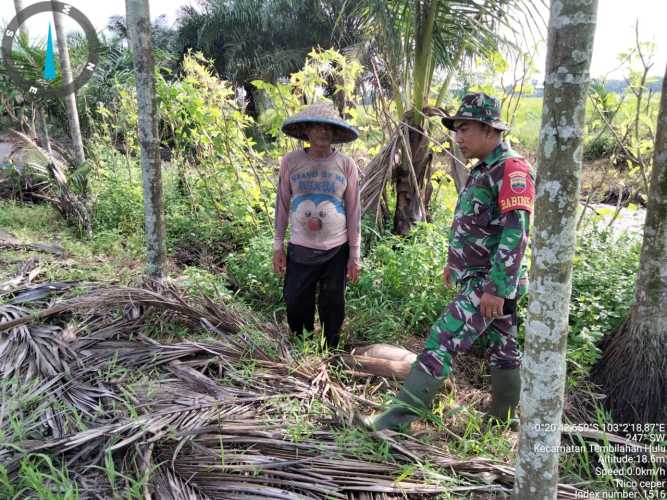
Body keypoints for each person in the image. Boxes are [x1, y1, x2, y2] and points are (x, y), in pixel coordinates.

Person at [364, 92, 535, 431]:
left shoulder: (511, 169)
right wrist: (453, 263)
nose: (457, 138)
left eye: (465, 129)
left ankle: (395, 421)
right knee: (504, 347)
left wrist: (496, 289)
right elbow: (473, 225)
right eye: (455, 130)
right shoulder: (484, 169)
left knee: (442, 339)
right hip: (480, 279)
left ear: (489, 130)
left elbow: (516, 234)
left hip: (491, 282)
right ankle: (502, 420)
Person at [273, 101, 362, 349]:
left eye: (329, 128)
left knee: (333, 303)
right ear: (307, 131)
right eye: (317, 126)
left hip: (336, 248)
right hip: (300, 247)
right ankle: (303, 345)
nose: (323, 132)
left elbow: (354, 209)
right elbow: (282, 204)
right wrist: (277, 245)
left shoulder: (346, 165)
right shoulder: (291, 162)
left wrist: (354, 253)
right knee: (295, 301)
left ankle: (329, 351)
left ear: (335, 133)